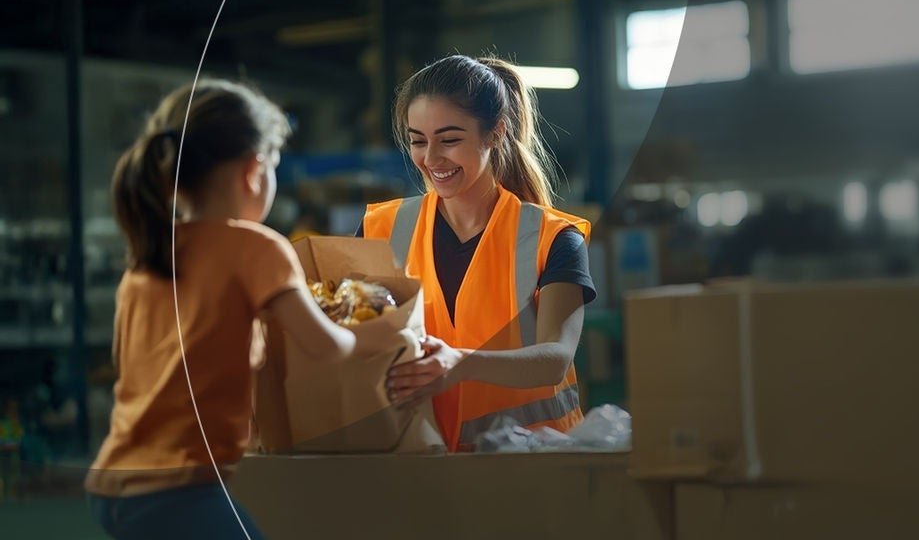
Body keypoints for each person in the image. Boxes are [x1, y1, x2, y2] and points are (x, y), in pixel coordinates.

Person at [85, 80, 388, 539]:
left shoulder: (149, 255)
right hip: (178, 488)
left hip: (113, 484)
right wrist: (380, 332)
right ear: (253, 170)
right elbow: (325, 347)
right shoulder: (254, 247)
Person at [358, 55, 596, 452]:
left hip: (531, 463)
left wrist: (458, 363)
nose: (431, 159)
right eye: (418, 141)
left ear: (496, 133)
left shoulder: (553, 238)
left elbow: (556, 358)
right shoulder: (378, 229)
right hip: (420, 461)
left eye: (449, 140)